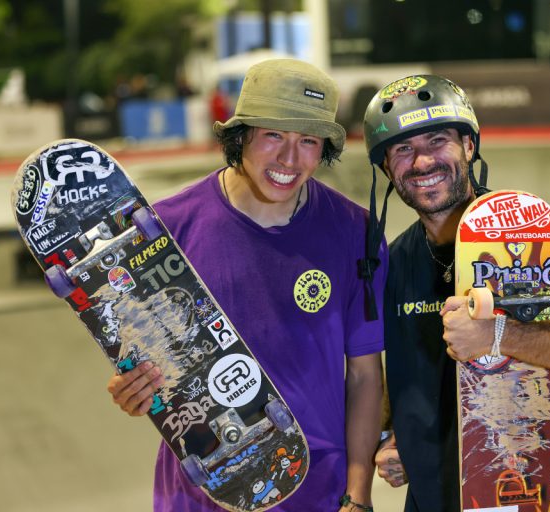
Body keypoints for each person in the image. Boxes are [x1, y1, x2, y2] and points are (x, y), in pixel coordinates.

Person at [107, 59, 385, 511]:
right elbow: (145, 364)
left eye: (308, 141)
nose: (289, 160)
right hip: (202, 489)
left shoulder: (356, 233)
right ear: (241, 137)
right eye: (274, 135)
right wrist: (133, 389)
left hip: (318, 489)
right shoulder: (168, 230)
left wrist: (358, 495)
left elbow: (366, 374)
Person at [362, 75, 550, 511]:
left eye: (437, 141)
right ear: (386, 168)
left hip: (541, 494)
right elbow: (402, 369)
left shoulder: (530, 234)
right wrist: (392, 436)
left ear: (469, 146)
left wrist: (499, 337)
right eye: (402, 150)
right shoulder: (393, 263)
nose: (421, 162)